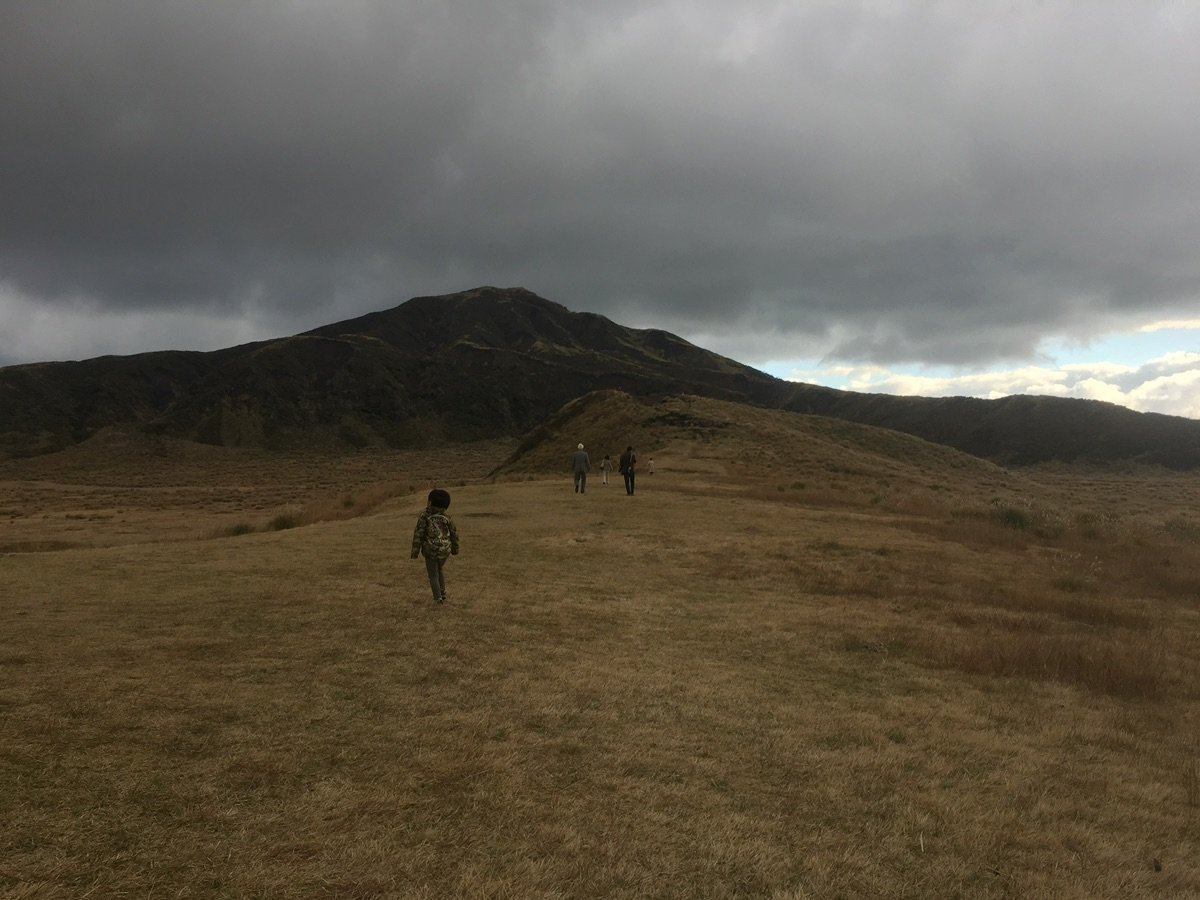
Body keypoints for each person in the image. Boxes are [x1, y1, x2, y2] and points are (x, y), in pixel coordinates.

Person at [410, 488, 459, 604]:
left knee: (433, 575)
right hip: (444, 551)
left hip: (430, 551)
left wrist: (415, 552)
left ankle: (438, 598)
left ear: (430, 502)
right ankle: (442, 593)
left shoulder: (425, 516)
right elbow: (454, 534)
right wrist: (455, 549)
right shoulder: (447, 518)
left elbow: (418, 534)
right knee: (439, 569)